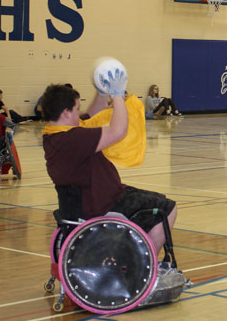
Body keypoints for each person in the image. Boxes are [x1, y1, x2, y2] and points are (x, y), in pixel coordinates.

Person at [41, 81, 177, 253]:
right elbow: (118, 131)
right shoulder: (73, 139)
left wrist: (101, 90)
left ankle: (140, 256)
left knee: (154, 203)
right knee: (167, 209)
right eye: (76, 109)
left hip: (92, 202)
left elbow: (90, 116)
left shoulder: (55, 135)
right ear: (66, 113)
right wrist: (118, 95)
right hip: (104, 204)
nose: (79, 112)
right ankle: (144, 264)